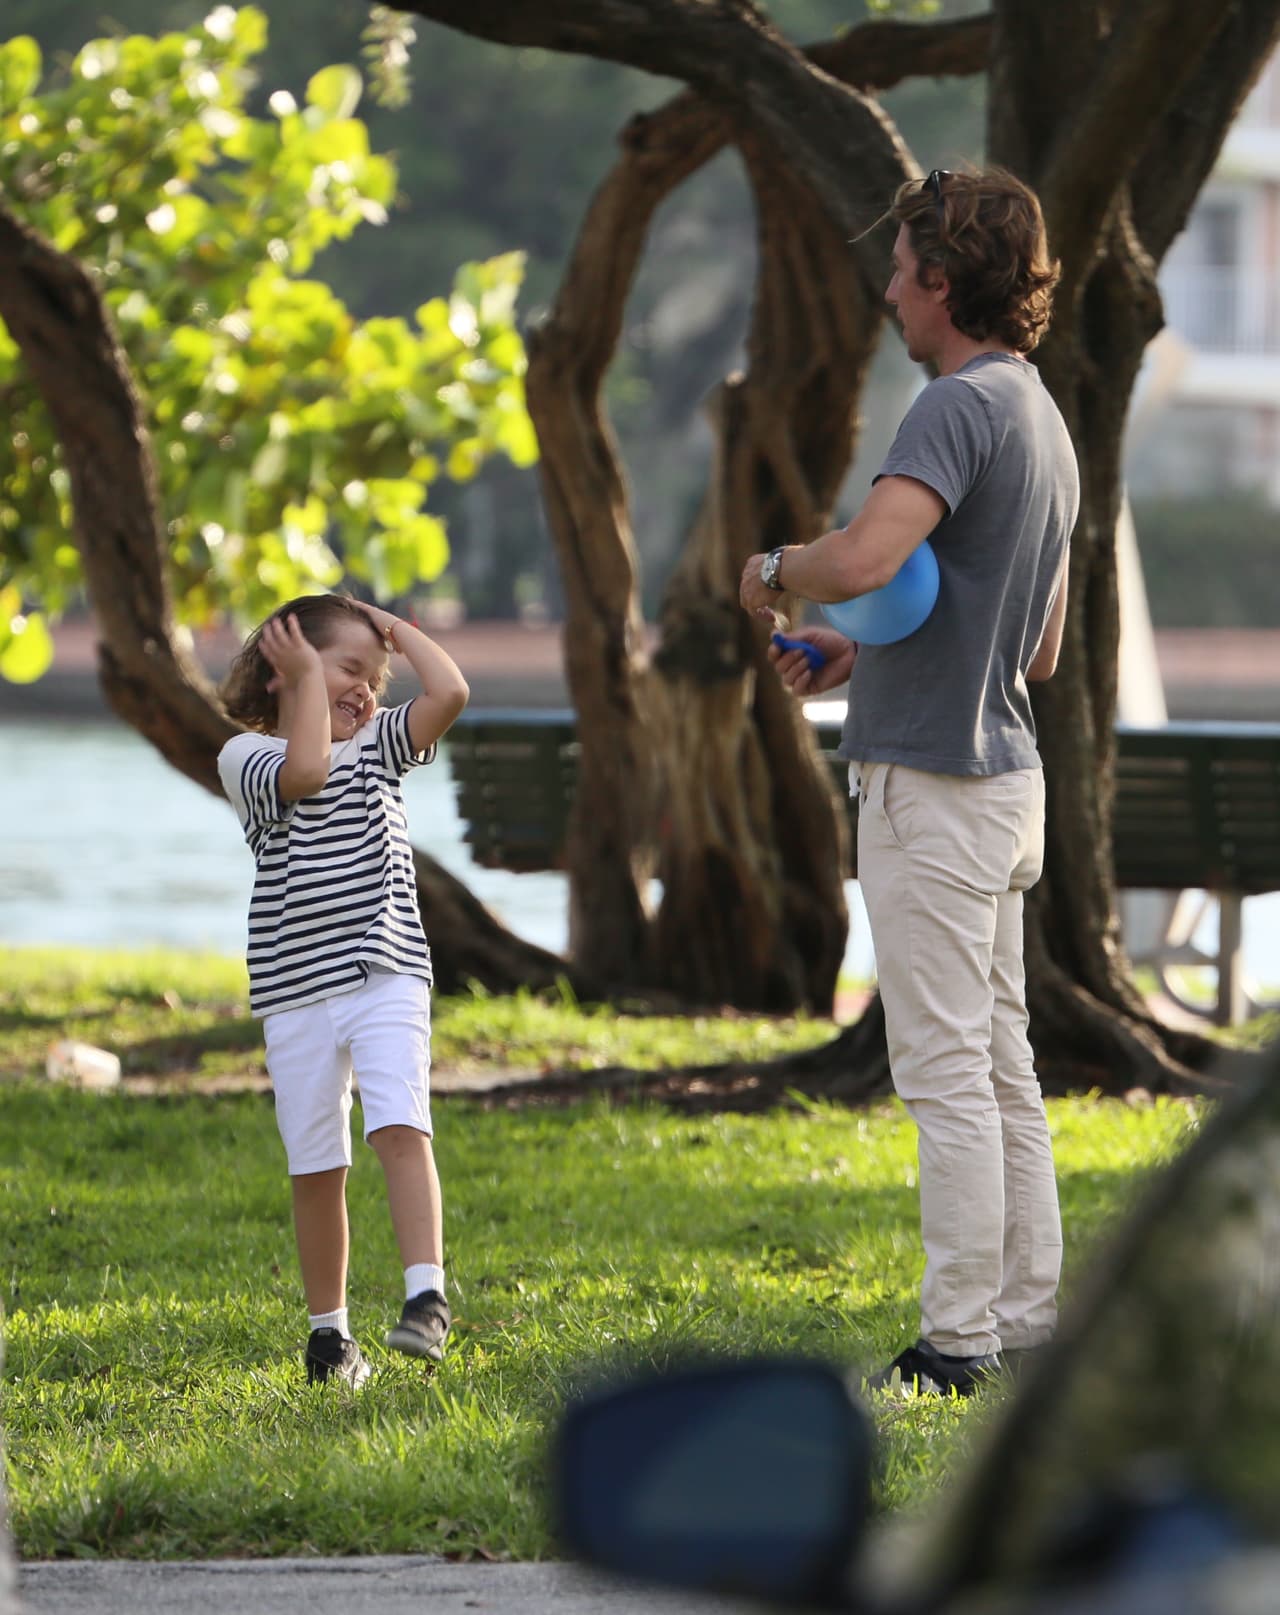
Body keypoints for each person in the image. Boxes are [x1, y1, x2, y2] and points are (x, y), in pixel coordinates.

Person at [739, 167, 1079, 1397]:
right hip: (1005, 782)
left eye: (898, 269)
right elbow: (1027, 642)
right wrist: (850, 647)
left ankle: (953, 1344)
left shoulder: (948, 407)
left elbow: (871, 551)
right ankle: (1025, 1319)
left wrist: (777, 568)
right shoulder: (1039, 416)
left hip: (932, 790)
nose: (885, 289)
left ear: (942, 280)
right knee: (999, 1064)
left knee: (941, 1075)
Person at [218, 593, 469, 1387]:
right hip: (296, 992)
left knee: (400, 1122)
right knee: (315, 1162)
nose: (368, 688)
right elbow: (306, 768)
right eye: (348, 669)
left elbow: (452, 693)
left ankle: (425, 1295)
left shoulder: (382, 747)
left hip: (385, 970)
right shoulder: (245, 759)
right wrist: (301, 688)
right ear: (282, 669)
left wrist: (388, 626)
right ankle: (330, 1337)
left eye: (378, 674)